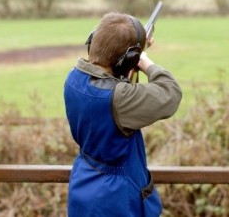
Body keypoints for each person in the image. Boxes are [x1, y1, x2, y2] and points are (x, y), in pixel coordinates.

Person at [64, 12, 182, 217]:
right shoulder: (119, 99)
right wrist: (144, 61)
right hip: (117, 199)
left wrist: (131, 58)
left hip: (84, 186)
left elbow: (107, 82)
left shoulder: (74, 78)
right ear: (127, 59)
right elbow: (170, 93)